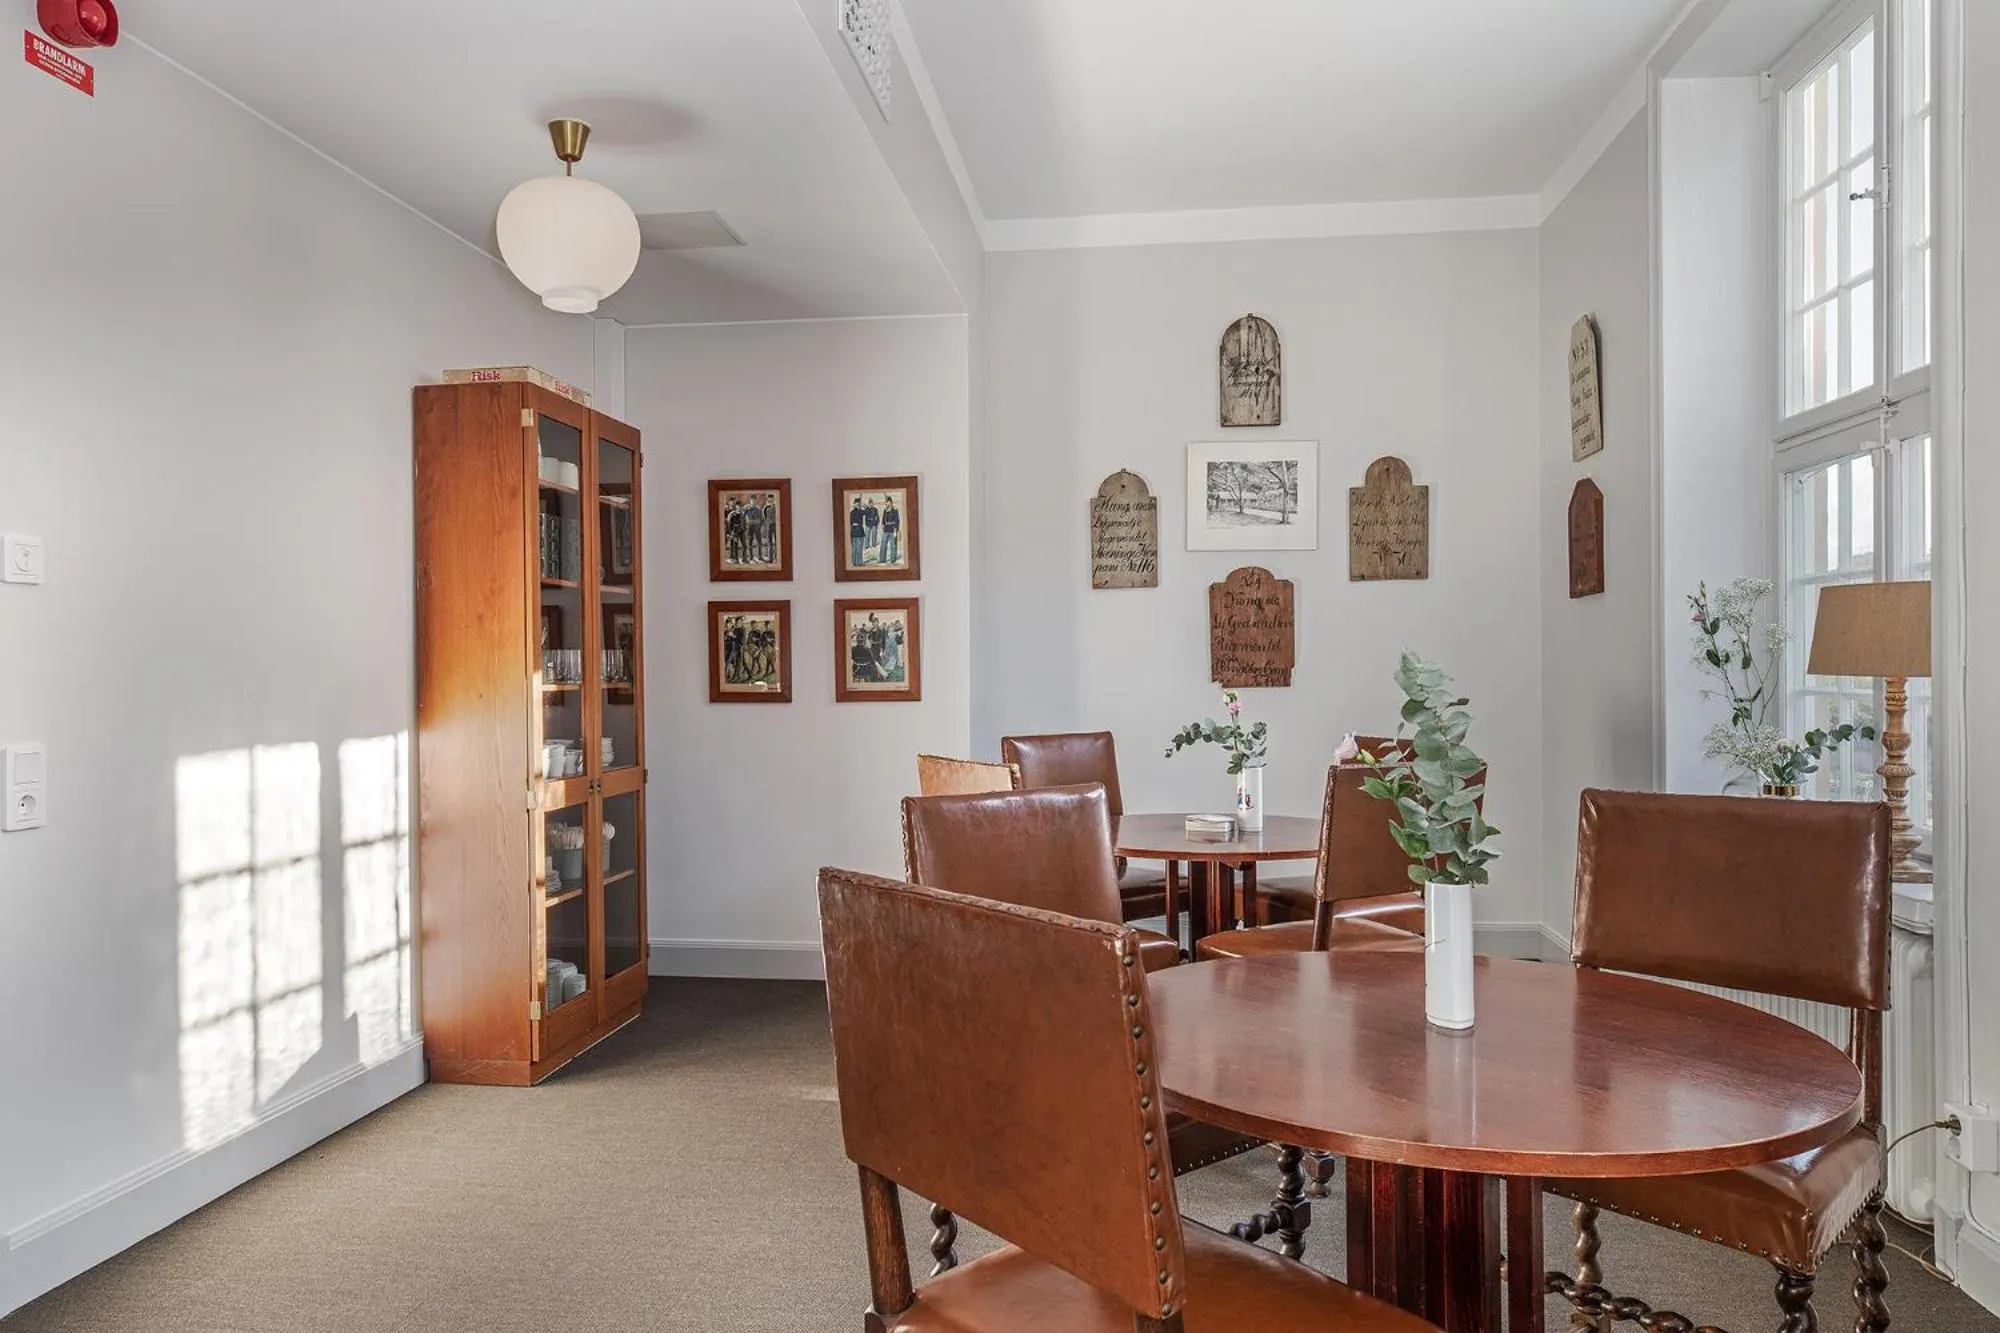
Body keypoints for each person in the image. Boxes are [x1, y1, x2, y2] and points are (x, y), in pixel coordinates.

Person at [744, 496, 767, 568]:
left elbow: (762, 519)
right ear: (750, 501)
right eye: (752, 501)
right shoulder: (747, 509)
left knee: (760, 542)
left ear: (755, 501)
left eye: (754, 501)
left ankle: (760, 556)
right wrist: (746, 526)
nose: (753, 502)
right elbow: (743, 517)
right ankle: (751, 557)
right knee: (750, 542)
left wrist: (760, 526)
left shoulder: (758, 510)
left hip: (757, 528)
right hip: (750, 528)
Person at [880, 495, 902, 566]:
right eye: (887, 503)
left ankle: (893, 560)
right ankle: (882, 560)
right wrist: (883, 525)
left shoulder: (895, 511)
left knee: (893, 546)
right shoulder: (884, 511)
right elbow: (883, 520)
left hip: (893, 530)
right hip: (886, 530)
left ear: (891, 503)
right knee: (883, 545)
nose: (888, 504)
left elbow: (897, 521)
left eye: (889, 502)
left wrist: (896, 529)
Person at [848, 495, 867, 570]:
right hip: (858, 531)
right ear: (856, 504)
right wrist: (864, 506)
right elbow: (866, 511)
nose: (858, 505)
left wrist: (863, 507)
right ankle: (858, 562)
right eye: (857, 504)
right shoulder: (858, 511)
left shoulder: (852, 512)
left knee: (855, 548)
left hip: (853, 531)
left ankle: (854, 562)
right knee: (858, 548)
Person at [760, 493, 779, 563]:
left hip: (776, 526)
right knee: (769, 543)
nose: (771, 500)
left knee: (777, 542)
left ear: (774, 499)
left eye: (772, 499)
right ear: (768, 500)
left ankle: (777, 558)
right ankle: (770, 559)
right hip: (768, 526)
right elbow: (764, 517)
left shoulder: (777, 506)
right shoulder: (765, 507)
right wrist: (765, 526)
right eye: (769, 499)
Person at [862, 495, 881, 564]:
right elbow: (864, 513)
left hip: (873, 525)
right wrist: (865, 508)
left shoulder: (875, 509)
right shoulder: (866, 509)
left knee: (874, 536)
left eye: (871, 503)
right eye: (869, 503)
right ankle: (866, 547)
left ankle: (873, 546)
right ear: (868, 503)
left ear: (872, 503)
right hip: (868, 525)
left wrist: (876, 524)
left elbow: (877, 517)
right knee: (867, 537)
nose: (870, 504)